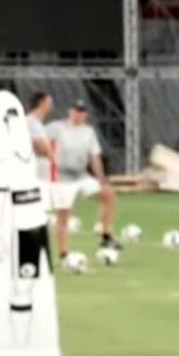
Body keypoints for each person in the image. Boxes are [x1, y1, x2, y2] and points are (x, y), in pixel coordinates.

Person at [46, 100, 120, 260]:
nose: (80, 114)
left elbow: (94, 156)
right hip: (61, 177)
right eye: (77, 111)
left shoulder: (88, 131)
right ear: (70, 112)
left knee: (108, 195)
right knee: (64, 214)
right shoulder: (57, 128)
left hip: (81, 175)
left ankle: (105, 235)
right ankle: (64, 252)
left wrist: (101, 177)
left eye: (83, 111)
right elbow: (38, 141)